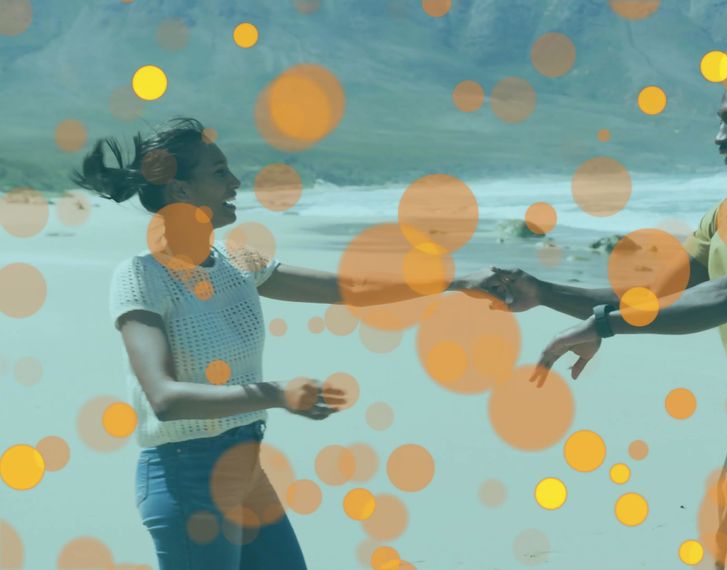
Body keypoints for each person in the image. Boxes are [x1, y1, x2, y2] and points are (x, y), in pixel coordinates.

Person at [477, 68, 727, 569]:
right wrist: (544, 291)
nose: (720, 137)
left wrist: (606, 326)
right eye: (720, 122)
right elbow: (647, 294)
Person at [72, 117, 488, 569]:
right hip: (186, 478)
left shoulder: (236, 258)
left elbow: (351, 287)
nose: (234, 182)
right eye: (218, 172)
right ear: (180, 192)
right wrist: (274, 394)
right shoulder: (141, 277)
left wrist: (458, 281)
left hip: (246, 469)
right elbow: (164, 398)